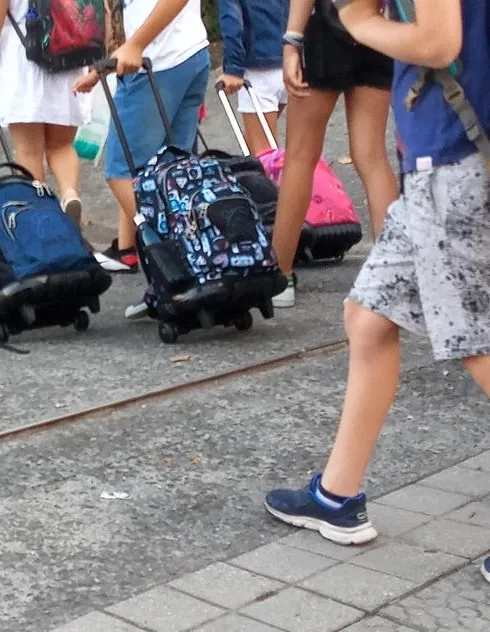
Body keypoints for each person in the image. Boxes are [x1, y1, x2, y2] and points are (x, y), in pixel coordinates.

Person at [265, 0, 490, 586]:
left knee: (476, 344)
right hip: (440, 155)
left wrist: (361, 23)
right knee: (369, 314)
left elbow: (440, 42)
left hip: (455, 157)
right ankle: (337, 496)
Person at [74, 0, 211, 308]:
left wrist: (136, 44)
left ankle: (176, 266)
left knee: (123, 172)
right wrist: (108, 65)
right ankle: (202, 260)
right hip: (187, 53)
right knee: (174, 172)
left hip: (158, 63)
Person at [269, 0, 399, 308]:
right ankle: (394, 274)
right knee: (372, 156)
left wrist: (292, 40)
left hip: (328, 25)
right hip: (379, 26)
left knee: (300, 156)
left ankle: (280, 275)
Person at [0, 0, 91, 234]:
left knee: (29, 151)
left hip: (24, 60)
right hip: (69, 55)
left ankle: (42, 222)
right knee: (62, 145)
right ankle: (70, 194)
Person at [217, 0, 289, 156]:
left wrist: (233, 68)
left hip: (259, 68)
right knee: (256, 143)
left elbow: (231, 17)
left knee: (264, 155)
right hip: (290, 59)